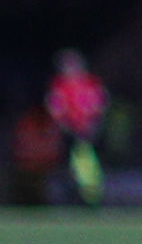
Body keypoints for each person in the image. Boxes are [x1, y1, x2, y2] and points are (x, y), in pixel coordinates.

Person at [45, 49, 109, 205]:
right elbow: (55, 108)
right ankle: (72, 198)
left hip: (89, 133)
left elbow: (100, 105)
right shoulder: (60, 86)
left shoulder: (91, 83)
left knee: (91, 167)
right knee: (69, 168)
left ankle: (92, 199)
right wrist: (66, 127)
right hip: (70, 134)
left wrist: (93, 125)